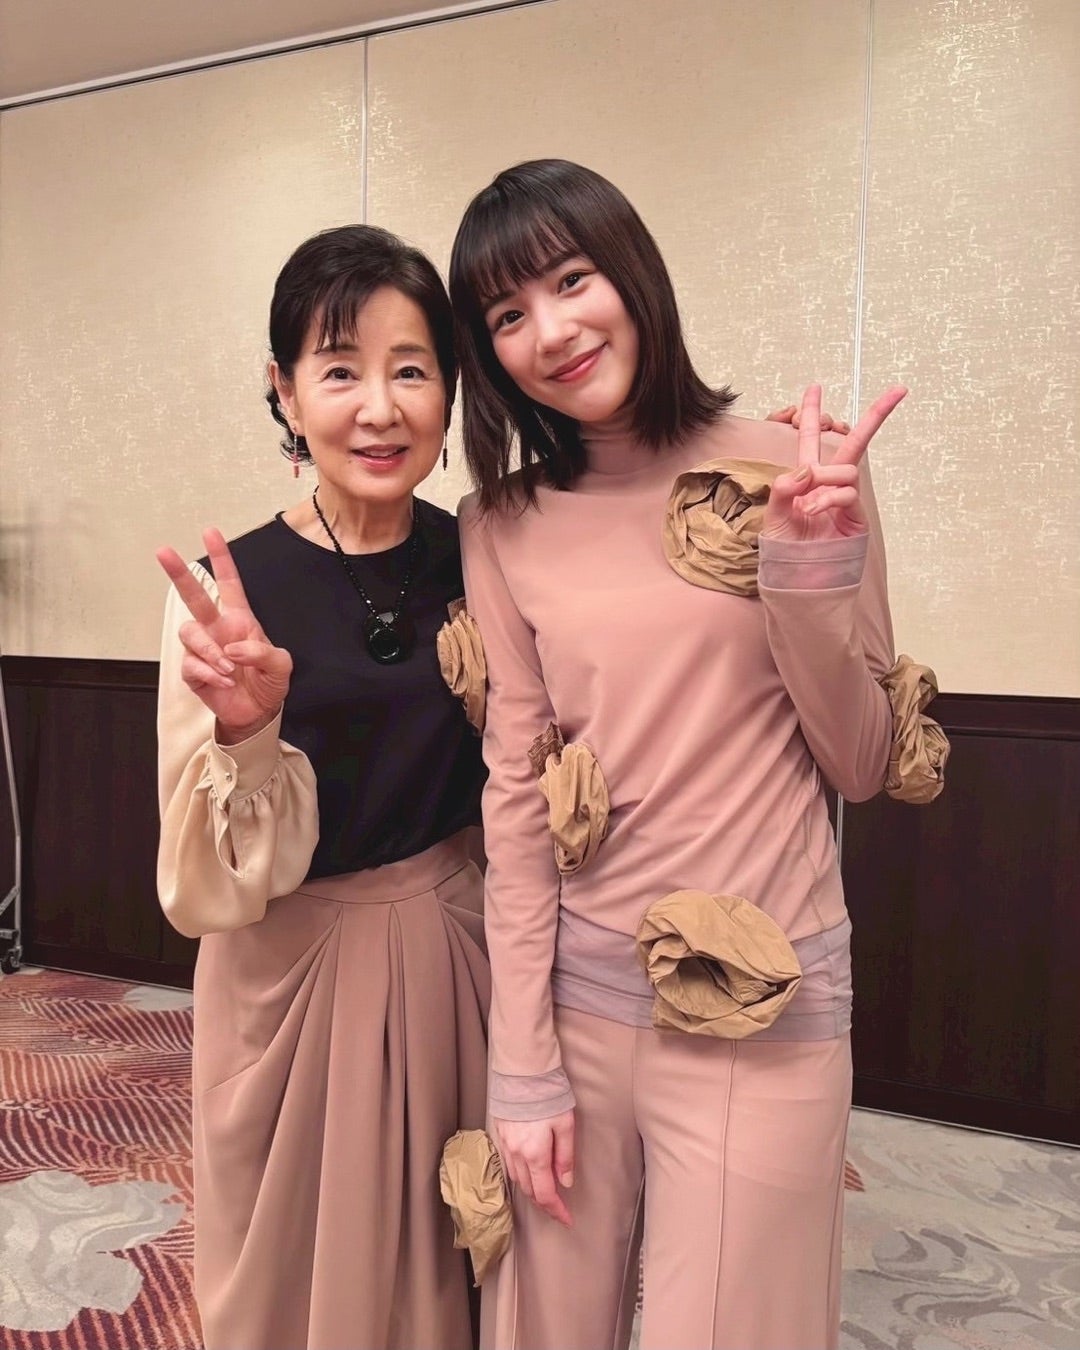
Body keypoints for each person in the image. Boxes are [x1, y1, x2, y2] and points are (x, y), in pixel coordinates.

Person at [449, 159, 941, 1350]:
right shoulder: (500, 524)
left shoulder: (797, 463)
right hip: (574, 1010)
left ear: (635, 274)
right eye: (508, 313)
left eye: (572, 280)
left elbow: (860, 761)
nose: (550, 331)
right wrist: (521, 1065)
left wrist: (807, 568)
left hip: (762, 1012)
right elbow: (516, 803)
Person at [155, 225, 491, 1350]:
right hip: (284, 976)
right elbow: (198, 885)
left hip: (459, 960)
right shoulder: (226, 595)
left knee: (446, 1261)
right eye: (340, 371)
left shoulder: (488, 557)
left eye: (412, 369)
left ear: (450, 388)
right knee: (287, 1273)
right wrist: (248, 732)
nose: (379, 409)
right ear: (286, 393)